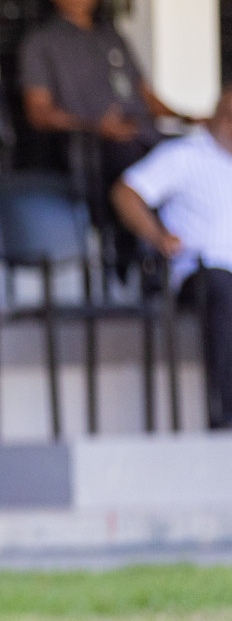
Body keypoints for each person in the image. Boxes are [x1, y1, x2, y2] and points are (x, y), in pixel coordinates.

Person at [19, 0, 198, 273]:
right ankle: (148, 256)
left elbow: (148, 98)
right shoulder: (40, 42)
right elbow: (39, 113)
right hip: (89, 145)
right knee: (132, 161)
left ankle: (196, 255)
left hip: (143, 134)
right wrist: (96, 127)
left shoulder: (112, 36)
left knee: (192, 155)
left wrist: (194, 121)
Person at [111, 85, 232, 433]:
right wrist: (158, 236)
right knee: (224, 287)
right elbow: (126, 193)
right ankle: (225, 412)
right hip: (200, 272)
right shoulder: (183, 154)